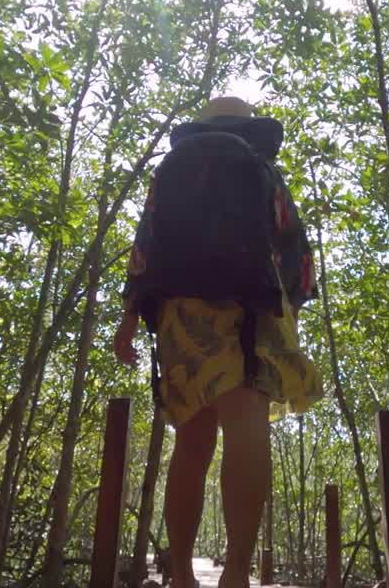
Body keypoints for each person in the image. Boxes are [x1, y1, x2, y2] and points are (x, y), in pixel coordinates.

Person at [112, 96, 322, 588]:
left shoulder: (171, 169)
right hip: (248, 306)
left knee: (192, 440)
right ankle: (236, 575)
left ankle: (182, 574)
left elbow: (145, 244)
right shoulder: (261, 166)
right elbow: (292, 240)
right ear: (250, 127)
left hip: (179, 312)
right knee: (247, 430)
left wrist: (128, 320)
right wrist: (292, 302)